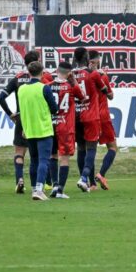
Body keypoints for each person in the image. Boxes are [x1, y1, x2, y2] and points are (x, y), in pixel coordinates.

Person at [0, 51, 54, 194]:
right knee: (42, 156)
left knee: (19, 152)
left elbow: (0, 97)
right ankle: (46, 183)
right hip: (40, 120)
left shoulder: (18, 79)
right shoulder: (45, 78)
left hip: (22, 119)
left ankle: (20, 179)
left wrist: (11, 114)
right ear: (38, 63)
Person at [16, 60, 60, 201]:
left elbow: (21, 110)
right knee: (43, 160)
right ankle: (39, 190)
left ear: (29, 72)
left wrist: (23, 128)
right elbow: (54, 108)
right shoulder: (44, 88)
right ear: (42, 73)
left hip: (29, 130)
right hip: (44, 129)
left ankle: (35, 188)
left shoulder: (21, 89)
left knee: (33, 160)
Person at [70, 46, 110, 194]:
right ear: (87, 58)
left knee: (81, 148)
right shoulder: (93, 74)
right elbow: (105, 91)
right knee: (91, 148)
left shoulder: (70, 75)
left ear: (74, 59)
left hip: (75, 116)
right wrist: (101, 75)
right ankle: (83, 177)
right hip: (91, 115)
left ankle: (85, 181)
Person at [48, 60, 84, 199]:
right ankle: (60, 190)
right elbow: (82, 98)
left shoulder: (48, 86)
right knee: (64, 158)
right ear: (69, 73)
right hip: (65, 126)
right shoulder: (71, 87)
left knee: (53, 156)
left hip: (51, 124)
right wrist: (74, 80)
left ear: (57, 70)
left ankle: (55, 184)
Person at [90, 50, 119, 190]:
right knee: (112, 147)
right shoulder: (102, 76)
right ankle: (101, 174)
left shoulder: (82, 75)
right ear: (97, 60)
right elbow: (110, 95)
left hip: (88, 115)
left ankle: (91, 183)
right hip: (102, 115)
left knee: (90, 149)